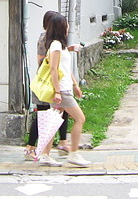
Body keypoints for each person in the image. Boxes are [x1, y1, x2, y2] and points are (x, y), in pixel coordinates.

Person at [38, 13, 91, 167]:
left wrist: (75, 85)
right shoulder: (55, 45)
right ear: (61, 27)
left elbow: (64, 69)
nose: (68, 27)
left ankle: (45, 155)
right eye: (66, 24)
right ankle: (73, 154)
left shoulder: (59, 46)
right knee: (80, 118)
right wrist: (57, 92)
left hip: (65, 89)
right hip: (62, 91)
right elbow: (54, 69)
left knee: (54, 123)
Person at [24, 11, 70, 161]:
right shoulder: (45, 39)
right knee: (42, 115)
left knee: (59, 112)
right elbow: (42, 61)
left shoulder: (55, 41)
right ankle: (32, 148)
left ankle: (60, 143)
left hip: (52, 83)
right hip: (45, 84)